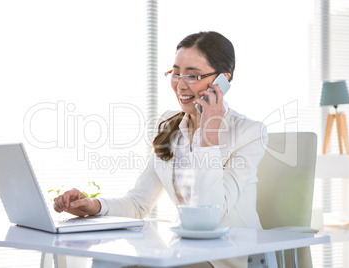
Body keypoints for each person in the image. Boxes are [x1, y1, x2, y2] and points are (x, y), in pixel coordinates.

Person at [54, 31, 268, 268]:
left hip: (229, 258)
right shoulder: (169, 124)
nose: (180, 84)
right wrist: (93, 206)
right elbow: (138, 203)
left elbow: (211, 217)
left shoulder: (250, 132)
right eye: (176, 73)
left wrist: (209, 134)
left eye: (193, 76)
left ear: (223, 80)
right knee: (107, 262)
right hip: (183, 252)